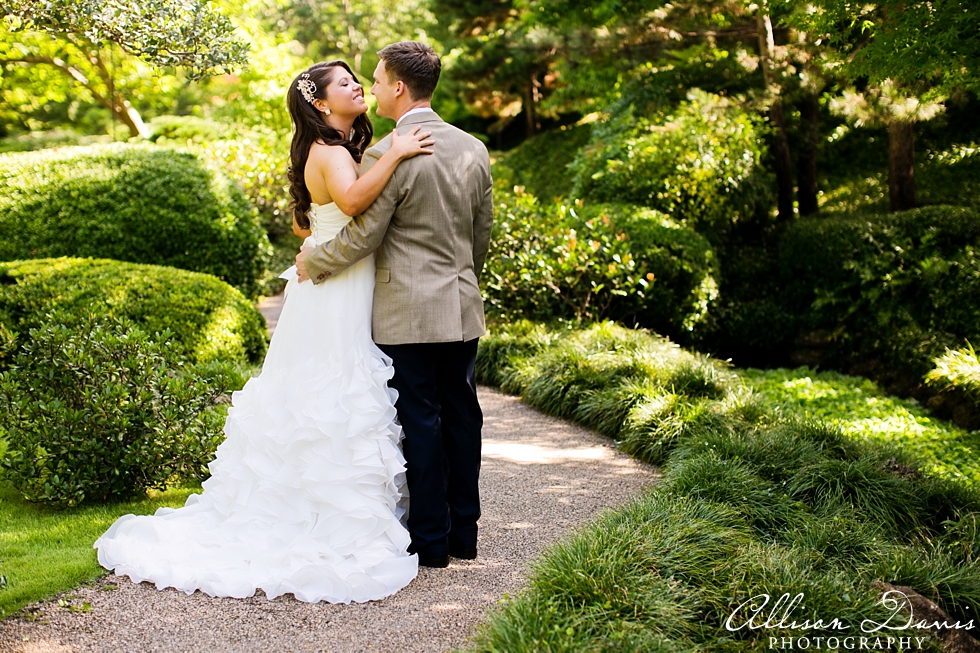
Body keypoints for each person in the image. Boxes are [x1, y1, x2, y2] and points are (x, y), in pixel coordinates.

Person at [94, 60, 435, 604]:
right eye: (344, 83)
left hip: (335, 280)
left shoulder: (334, 149)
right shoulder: (330, 151)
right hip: (335, 287)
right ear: (321, 104)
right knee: (331, 392)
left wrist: (319, 238)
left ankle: (328, 503)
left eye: (356, 80)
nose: (356, 87)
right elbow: (349, 204)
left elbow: (310, 221)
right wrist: (395, 151)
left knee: (327, 391)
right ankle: (319, 515)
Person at [296, 41, 494, 569]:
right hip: (460, 303)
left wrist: (314, 262)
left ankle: (431, 542)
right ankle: (464, 534)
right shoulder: (473, 148)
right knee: (463, 416)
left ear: (399, 87)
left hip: (406, 311)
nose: (374, 88)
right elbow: (480, 237)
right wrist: (462, 279)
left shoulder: (387, 152)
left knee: (421, 420)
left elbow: (363, 236)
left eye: (379, 80)